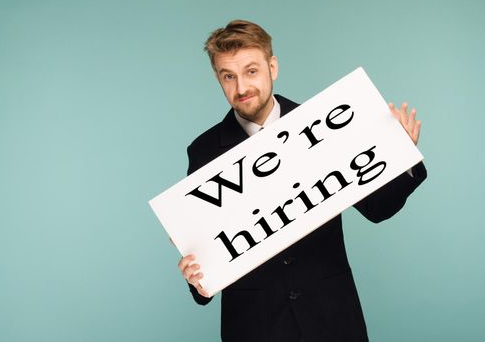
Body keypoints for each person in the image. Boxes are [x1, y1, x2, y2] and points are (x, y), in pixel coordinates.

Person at [177, 20, 427, 342]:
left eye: (251, 71)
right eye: (229, 76)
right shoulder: (204, 151)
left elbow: (377, 208)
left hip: (332, 319)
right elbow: (207, 261)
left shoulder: (324, 125)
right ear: (218, 78)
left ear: (272, 67)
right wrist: (198, 280)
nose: (241, 88)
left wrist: (400, 157)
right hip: (254, 326)